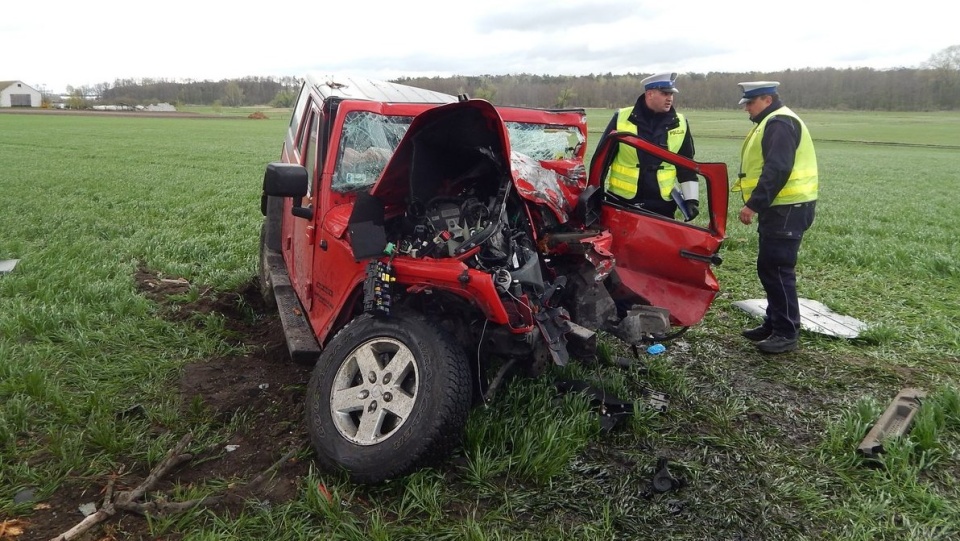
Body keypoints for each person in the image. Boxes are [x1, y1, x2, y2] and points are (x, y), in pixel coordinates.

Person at [734, 81, 819, 354]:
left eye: (751, 102)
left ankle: (786, 332)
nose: (747, 107)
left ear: (767, 100)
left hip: (786, 209)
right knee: (770, 267)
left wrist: (754, 204)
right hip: (783, 208)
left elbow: (778, 167)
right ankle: (773, 323)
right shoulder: (774, 120)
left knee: (778, 270)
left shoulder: (779, 122)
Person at [593, 72, 699, 220]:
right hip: (621, 201)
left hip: (662, 205)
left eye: (671, 94)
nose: (670, 98)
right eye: (664, 93)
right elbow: (602, 161)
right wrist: (594, 195)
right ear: (649, 94)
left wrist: (691, 200)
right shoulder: (622, 118)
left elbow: (687, 167)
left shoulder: (680, 123)